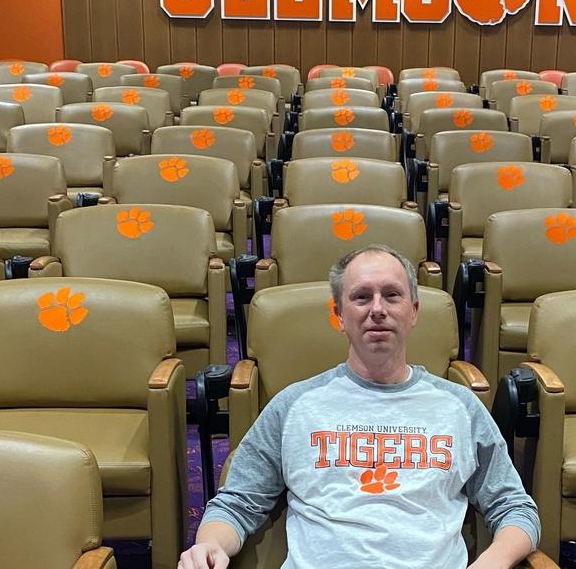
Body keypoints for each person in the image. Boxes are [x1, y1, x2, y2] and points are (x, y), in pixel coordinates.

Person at [179, 244, 539, 569]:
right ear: (339, 316)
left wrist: (494, 560)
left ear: (413, 312)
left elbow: (515, 508)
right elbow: (237, 503)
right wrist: (210, 546)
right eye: (362, 297)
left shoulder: (459, 406)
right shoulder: (295, 406)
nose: (378, 309)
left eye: (392, 295)